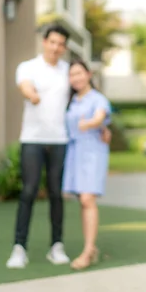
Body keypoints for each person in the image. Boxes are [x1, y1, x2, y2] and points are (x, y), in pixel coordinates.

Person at [6, 25, 110, 269]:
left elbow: (86, 97)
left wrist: (103, 126)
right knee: (29, 192)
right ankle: (19, 248)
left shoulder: (68, 72)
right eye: (52, 42)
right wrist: (32, 95)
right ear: (44, 42)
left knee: (56, 194)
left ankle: (57, 246)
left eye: (60, 44)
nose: (56, 47)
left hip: (61, 141)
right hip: (32, 139)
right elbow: (25, 86)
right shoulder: (28, 67)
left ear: (64, 47)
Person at [62, 59, 111, 270]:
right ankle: (90, 247)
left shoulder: (97, 99)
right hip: (75, 153)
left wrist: (91, 123)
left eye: (79, 73)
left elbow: (100, 117)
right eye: (72, 75)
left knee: (87, 198)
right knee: (83, 201)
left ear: (88, 74)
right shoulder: (72, 101)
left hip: (93, 152)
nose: (76, 78)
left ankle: (89, 250)